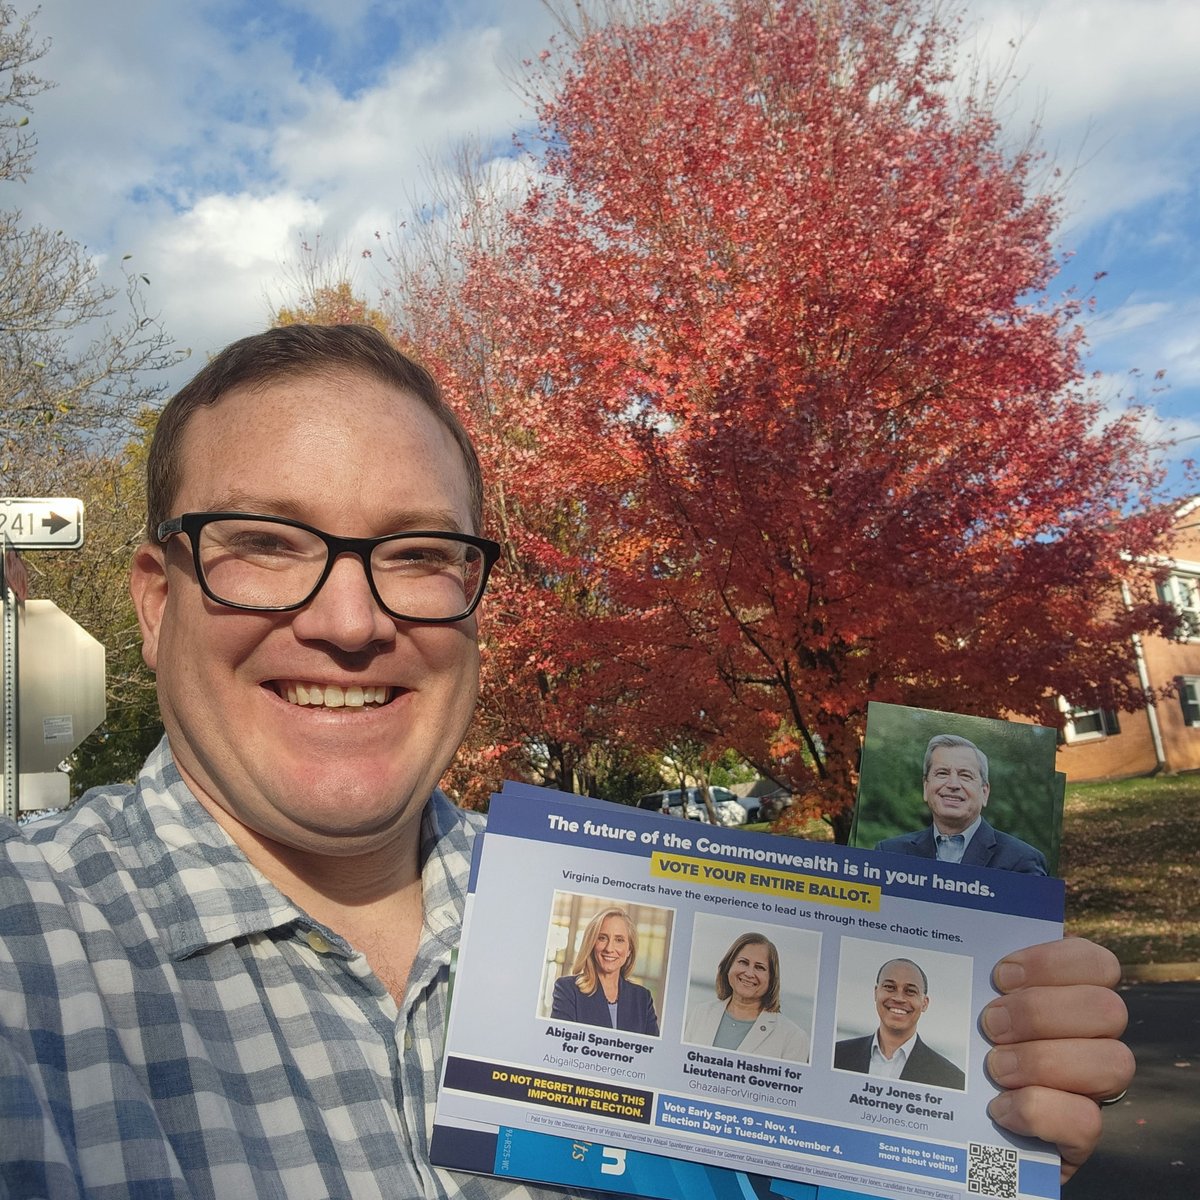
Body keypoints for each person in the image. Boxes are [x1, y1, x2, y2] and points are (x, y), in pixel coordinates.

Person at [0, 325, 1133, 1196]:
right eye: (264, 543)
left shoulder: (654, 922)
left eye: (418, 553)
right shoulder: (24, 959)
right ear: (156, 602)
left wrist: (966, 1151)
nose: (350, 622)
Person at [875, 733, 1048, 874]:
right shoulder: (889, 854)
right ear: (926, 787)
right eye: (942, 773)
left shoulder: (1022, 861)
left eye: (965, 775)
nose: (953, 784)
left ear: (984, 792)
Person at [834, 957, 965, 1090]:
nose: (899, 998)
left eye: (910, 991)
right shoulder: (835, 1055)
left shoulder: (952, 1079)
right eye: (889, 987)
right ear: (876, 993)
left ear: (924, 1003)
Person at [683, 932, 809, 1062]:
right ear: (728, 966)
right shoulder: (701, 1013)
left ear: (771, 979)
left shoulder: (793, 1038)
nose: (749, 973)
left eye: (759, 967)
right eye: (743, 962)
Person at [550, 906, 660, 1034]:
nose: (609, 948)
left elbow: (652, 1047)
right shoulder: (567, 989)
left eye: (619, 940)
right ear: (591, 944)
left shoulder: (642, 998)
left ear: (629, 949)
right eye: (602, 938)